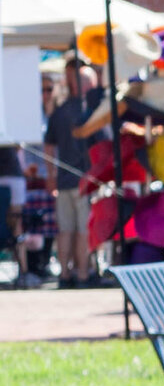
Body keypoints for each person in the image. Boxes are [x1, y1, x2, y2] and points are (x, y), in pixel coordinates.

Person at [43, 60, 104, 286]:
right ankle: (82, 274)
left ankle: (65, 275)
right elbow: (104, 145)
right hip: (84, 180)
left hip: (65, 179)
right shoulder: (90, 111)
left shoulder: (60, 111)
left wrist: (51, 175)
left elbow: (48, 145)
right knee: (81, 230)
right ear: (86, 85)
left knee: (65, 230)